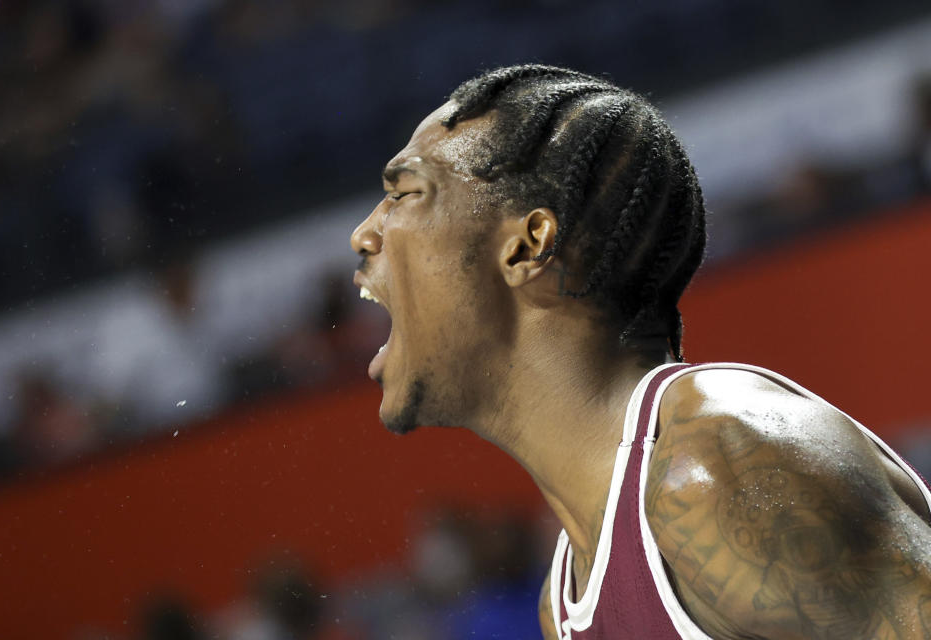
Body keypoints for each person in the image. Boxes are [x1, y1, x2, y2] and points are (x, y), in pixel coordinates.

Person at [348, 65, 931, 639]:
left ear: (527, 246)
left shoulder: (721, 470)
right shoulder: (566, 598)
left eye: (404, 193)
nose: (364, 235)